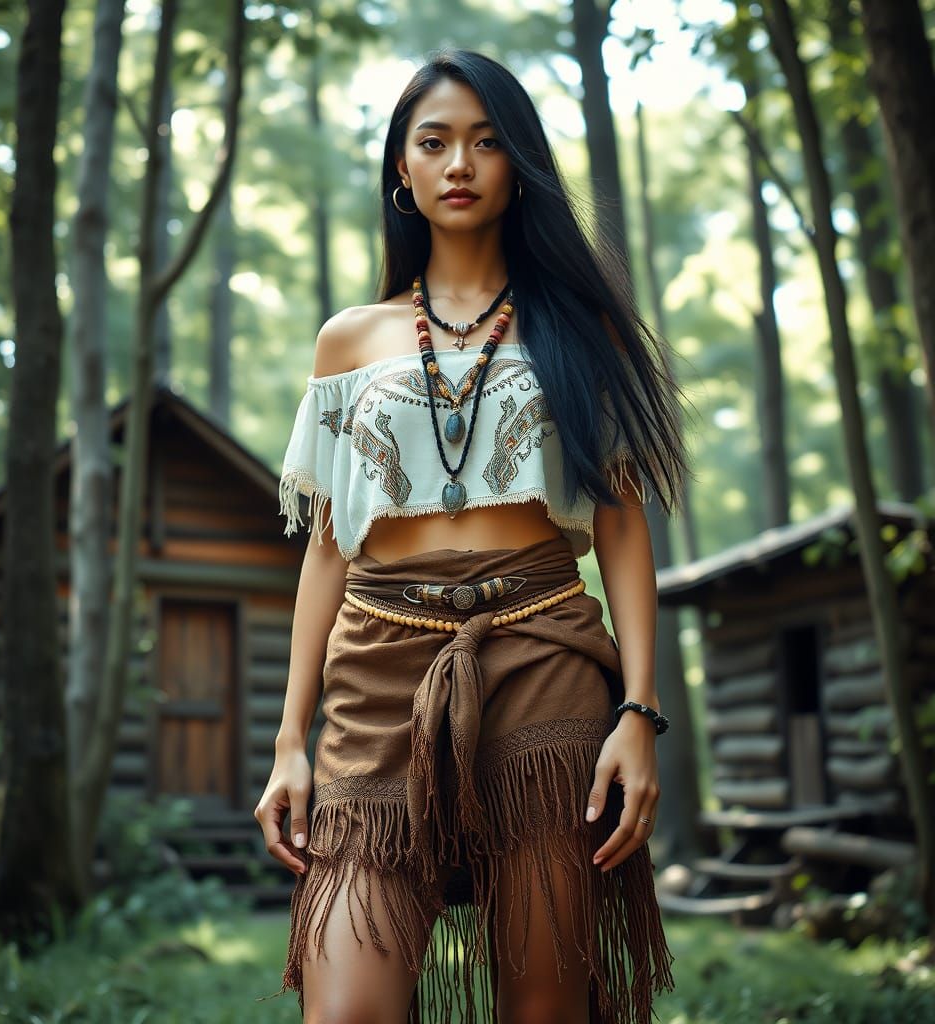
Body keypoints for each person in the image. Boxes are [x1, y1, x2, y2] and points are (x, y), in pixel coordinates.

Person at [255, 47, 690, 1024]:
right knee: (347, 1009)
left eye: (488, 143)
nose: (460, 162)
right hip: (374, 676)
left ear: (518, 166)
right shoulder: (348, 339)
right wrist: (289, 741)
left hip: (543, 652)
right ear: (400, 171)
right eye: (434, 141)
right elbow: (328, 544)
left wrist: (639, 713)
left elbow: (619, 524)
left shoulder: (580, 330)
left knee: (544, 1008)